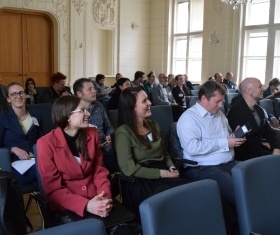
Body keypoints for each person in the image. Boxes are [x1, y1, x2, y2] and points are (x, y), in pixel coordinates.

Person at [177, 80, 246, 234]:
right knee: (237, 192)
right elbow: (192, 148)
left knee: (253, 179)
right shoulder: (189, 118)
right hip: (203, 168)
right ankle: (241, 228)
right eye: (218, 101)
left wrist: (234, 136)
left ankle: (256, 220)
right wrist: (225, 142)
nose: (221, 105)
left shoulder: (219, 114)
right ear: (204, 99)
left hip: (228, 162)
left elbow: (226, 136)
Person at [115, 87, 190, 220]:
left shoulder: (153, 125)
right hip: (141, 180)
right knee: (179, 198)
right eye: (144, 101)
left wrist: (171, 166)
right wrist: (162, 173)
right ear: (132, 108)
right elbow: (128, 168)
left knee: (194, 191)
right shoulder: (123, 132)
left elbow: (164, 152)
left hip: (162, 172)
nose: (150, 103)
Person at [0, 82, 43, 190]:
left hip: (37, 158)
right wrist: (13, 149)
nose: (18, 96)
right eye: (13, 94)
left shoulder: (36, 114)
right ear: (8, 99)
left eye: (21, 93)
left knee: (47, 173)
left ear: (25, 95)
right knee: (47, 174)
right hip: (16, 162)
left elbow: (42, 139)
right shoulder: (3, 117)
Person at [227, 77, 280, 161]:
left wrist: (276, 147)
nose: (263, 89)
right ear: (249, 91)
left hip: (259, 151)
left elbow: (269, 132)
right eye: (260, 87)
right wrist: (270, 155)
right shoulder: (236, 112)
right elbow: (245, 142)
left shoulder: (259, 110)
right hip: (246, 156)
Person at [73, 78, 117, 175]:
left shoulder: (99, 106)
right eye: (90, 89)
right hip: (84, 150)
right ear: (79, 94)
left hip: (104, 146)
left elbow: (109, 127)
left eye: (94, 88)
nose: (94, 91)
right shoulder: (72, 111)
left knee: (113, 170)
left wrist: (109, 135)